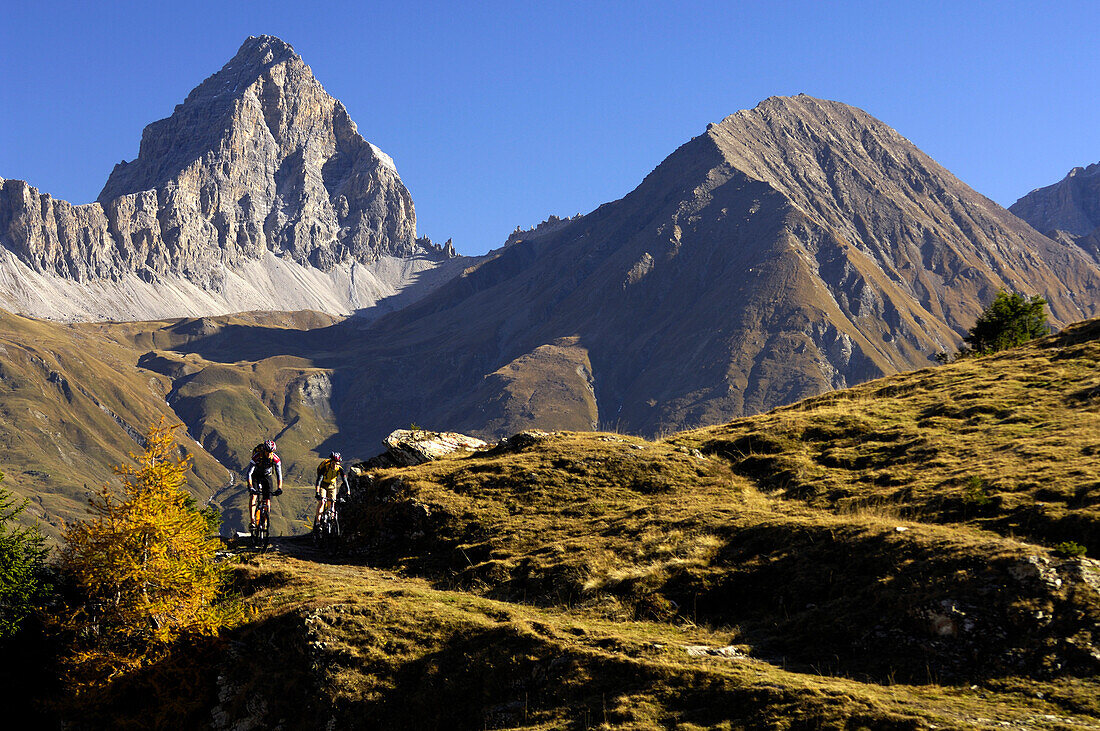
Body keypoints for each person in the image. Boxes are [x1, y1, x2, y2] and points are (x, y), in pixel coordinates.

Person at [247, 439, 283, 533]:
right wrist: (251, 486)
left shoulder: (275, 459)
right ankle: (252, 522)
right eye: (268, 452)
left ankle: (265, 522)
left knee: (267, 499)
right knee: (254, 496)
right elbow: (249, 473)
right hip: (255, 476)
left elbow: (279, 475)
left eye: (271, 452)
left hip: (267, 476)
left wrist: (279, 488)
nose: (270, 454)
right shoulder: (257, 457)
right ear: (264, 450)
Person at [314, 451, 351, 532]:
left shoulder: (340, 469)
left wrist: (348, 492)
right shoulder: (325, 468)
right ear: (331, 462)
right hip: (323, 485)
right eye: (333, 463)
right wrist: (317, 493)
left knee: (332, 504)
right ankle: (317, 523)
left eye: (337, 464)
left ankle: (331, 522)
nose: (335, 465)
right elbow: (319, 481)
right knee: (322, 502)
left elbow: (345, 481)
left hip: (332, 486)